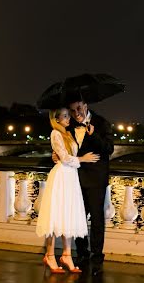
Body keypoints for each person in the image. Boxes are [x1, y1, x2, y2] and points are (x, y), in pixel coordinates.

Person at [36, 107, 100, 273]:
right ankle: (50, 255)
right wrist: (82, 159)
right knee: (55, 214)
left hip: (71, 176)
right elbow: (64, 158)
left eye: (67, 115)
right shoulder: (55, 133)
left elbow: (65, 154)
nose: (68, 118)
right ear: (56, 119)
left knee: (68, 214)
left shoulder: (67, 133)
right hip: (62, 176)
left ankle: (66, 254)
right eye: (64, 116)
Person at [65, 98, 114, 272]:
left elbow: (109, 149)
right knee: (78, 217)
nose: (76, 113)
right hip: (75, 177)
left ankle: (97, 255)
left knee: (97, 218)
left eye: (79, 108)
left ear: (86, 106)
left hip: (95, 178)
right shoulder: (68, 125)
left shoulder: (101, 123)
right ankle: (82, 252)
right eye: (72, 110)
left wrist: (94, 136)